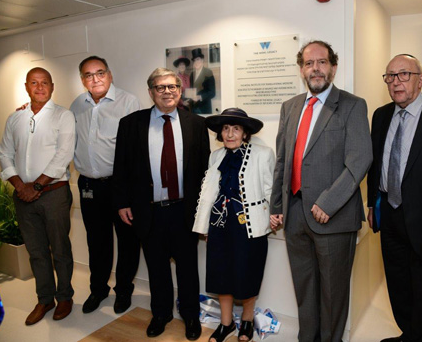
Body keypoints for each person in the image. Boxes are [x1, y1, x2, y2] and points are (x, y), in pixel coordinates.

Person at [269, 40, 372, 341]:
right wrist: (277, 206)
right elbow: (283, 161)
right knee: (305, 290)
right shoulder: (290, 107)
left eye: (322, 62)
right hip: (295, 215)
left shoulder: (352, 105)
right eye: (309, 63)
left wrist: (330, 202)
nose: (316, 68)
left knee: (332, 295)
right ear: (301, 69)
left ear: (333, 67)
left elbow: (360, 159)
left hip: (333, 217)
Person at [113, 68, 210, 339]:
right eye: (160, 87)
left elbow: (204, 173)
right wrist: (122, 202)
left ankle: (191, 316)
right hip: (149, 210)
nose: (167, 92)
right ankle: (161, 314)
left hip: (184, 210)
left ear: (180, 90)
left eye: (172, 87)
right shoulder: (131, 124)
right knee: (156, 267)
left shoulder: (197, 124)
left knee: (188, 268)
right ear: (151, 92)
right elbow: (120, 168)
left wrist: (204, 211)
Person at [367, 54, 422, 342]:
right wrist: (371, 203)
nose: (396, 81)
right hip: (388, 210)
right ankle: (408, 333)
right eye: (390, 76)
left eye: (404, 74)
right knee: (397, 279)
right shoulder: (380, 115)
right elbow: (376, 164)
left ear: (420, 79)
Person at [0, 67, 75, 325]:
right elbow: (4, 154)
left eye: (44, 83)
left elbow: (63, 155)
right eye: (34, 82)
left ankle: (65, 297)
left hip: (54, 194)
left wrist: (36, 186)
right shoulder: (15, 118)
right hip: (23, 196)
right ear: (26, 86)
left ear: (52, 87)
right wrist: (20, 186)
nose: (39, 87)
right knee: (36, 251)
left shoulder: (64, 116)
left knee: (60, 248)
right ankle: (45, 299)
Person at [193, 108, 275, 342]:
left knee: (247, 275)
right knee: (221, 276)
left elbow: (270, 190)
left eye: (236, 129)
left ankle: (247, 322)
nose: (230, 134)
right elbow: (210, 192)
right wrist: (206, 225)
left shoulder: (263, 153)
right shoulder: (215, 157)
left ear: (245, 133)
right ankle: (226, 324)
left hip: (249, 227)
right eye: (226, 129)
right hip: (220, 226)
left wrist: (275, 214)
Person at [70, 56, 141, 314]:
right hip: (89, 185)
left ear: (109, 74)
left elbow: (136, 149)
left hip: (120, 187)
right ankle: (98, 289)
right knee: (96, 242)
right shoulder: (77, 105)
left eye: (99, 73)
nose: (95, 79)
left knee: (127, 241)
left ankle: (123, 290)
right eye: (88, 75)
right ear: (82, 80)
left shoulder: (128, 101)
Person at [188, 47, 216, 114]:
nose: (196, 62)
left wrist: (200, 97)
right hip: (193, 108)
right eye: (194, 60)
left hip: (204, 108)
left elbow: (212, 93)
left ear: (202, 60)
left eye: (198, 59)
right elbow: (192, 90)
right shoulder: (192, 74)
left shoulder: (208, 72)